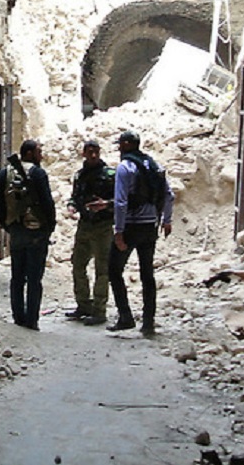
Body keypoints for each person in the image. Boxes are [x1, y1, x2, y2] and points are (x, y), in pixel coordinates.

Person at [107, 130, 174, 337]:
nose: (119, 148)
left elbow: (120, 202)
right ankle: (148, 322)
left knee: (114, 269)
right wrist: (167, 220)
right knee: (147, 274)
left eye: (120, 145)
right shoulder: (154, 165)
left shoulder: (125, 168)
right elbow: (169, 195)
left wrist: (118, 231)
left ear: (126, 145)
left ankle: (125, 316)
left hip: (131, 225)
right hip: (150, 226)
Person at [0, 139, 56, 330]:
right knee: (34, 278)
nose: (41, 155)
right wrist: (49, 227)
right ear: (29, 153)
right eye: (39, 151)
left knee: (17, 276)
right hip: (36, 231)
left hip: (17, 230)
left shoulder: (5, 173)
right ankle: (32, 319)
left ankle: (18, 316)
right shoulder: (38, 173)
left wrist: (8, 226)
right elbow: (47, 203)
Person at [64, 139, 115, 326]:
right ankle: (83, 305)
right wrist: (71, 207)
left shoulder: (110, 175)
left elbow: (122, 200)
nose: (93, 155)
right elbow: (75, 197)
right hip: (85, 225)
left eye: (96, 151)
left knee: (102, 269)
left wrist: (106, 205)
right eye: (89, 151)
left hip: (103, 226)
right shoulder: (80, 175)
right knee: (78, 264)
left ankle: (99, 310)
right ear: (83, 153)